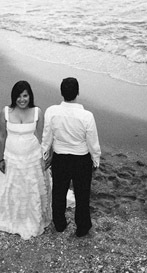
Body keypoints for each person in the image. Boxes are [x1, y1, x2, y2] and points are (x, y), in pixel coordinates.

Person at [0, 80, 52, 240]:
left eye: (25, 96)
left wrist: (45, 157)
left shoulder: (38, 112)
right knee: (12, 186)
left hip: (32, 157)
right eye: (18, 96)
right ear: (13, 97)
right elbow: (1, 136)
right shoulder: (6, 112)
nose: (22, 100)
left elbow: (42, 138)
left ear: (30, 96)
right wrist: (0, 158)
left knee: (30, 187)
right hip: (12, 157)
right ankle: (11, 218)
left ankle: (31, 218)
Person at [42, 77, 101, 237]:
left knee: (59, 192)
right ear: (78, 92)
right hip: (81, 159)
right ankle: (82, 227)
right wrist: (96, 160)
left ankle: (59, 223)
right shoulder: (87, 116)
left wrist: (45, 153)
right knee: (82, 194)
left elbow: (47, 136)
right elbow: (92, 142)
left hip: (60, 158)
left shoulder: (52, 111)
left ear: (61, 92)